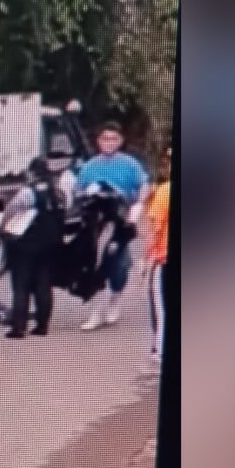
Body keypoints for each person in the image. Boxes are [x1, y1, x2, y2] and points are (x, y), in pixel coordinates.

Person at [75, 121, 151, 330]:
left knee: (118, 264)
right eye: (104, 139)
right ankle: (96, 311)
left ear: (120, 141)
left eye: (113, 139)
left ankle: (115, 299)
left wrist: (138, 204)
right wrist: (86, 194)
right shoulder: (90, 166)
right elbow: (77, 190)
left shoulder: (130, 164)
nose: (108, 143)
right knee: (96, 264)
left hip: (121, 223)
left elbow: (144, 185)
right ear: (98, 141)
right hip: (96, 224)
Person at [2, 158, 65, 338]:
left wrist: (2, 227)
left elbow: (11, 210)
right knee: (44, 284)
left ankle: (18, 328)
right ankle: (42, 326)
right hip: (50, 244)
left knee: (21, 285)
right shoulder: (57, 193)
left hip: (26, 245)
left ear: (32, 172)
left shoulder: (28, 192)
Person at [143, 145, 171, 362]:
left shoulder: (165, 192)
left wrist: (147, 260)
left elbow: (154, 228)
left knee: (162, 311)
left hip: (165, 260)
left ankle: (160, 351)